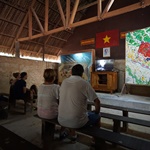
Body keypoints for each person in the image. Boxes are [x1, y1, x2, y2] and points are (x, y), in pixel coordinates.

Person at [58, 64, 101, 142]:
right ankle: (95, 140)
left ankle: (68, 134)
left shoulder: (64, 82)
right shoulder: (84, 83)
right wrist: (97, 112)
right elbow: (97, 101)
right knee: (97, 117)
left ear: (71, 72)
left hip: (61, 119)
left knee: (71, 110)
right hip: (77, 122)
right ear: (82, 73)